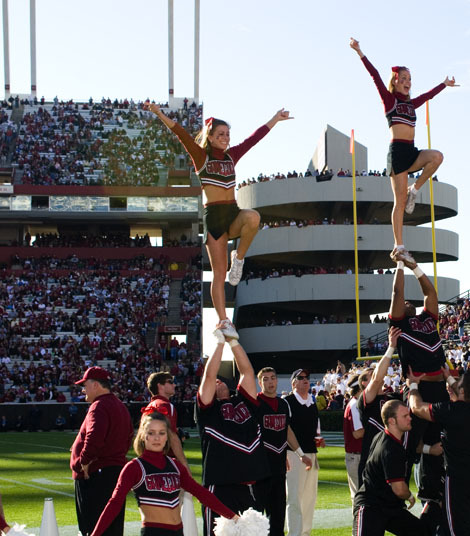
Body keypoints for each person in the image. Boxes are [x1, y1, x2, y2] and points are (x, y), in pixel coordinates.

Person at [149, 102, 292, 339]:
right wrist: (159, 113)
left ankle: (240, 257)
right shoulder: (201, 156)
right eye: (221, 134)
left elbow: (253, 139)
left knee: (254, 217)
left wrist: (275, 119)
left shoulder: (231, 155)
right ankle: (223, 320)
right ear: (211, 137)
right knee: (218, 274)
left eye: (227, 134)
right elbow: (180, 133)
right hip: (214, 217)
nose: (226, 138)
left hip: (232, 213)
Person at [350, 37, 457, 258]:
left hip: (412, 151)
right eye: (405, 78)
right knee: (399, 203)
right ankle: (399, 245)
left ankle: (415, 189)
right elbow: (375, 76)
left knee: (437, 157)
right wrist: (360, 52)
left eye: (410, 79)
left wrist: (443, 85)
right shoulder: (390, 101)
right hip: (397, 154)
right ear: (396, 81)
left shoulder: (410, 104)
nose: (408, 82)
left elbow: (428, 96)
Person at [89, 412, 238, 536]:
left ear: (167, 437)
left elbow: (201, 493)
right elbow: (115, 503)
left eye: (161, 433)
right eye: (151, 433)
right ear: (142, 435)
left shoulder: (175, 465)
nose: (157, 438)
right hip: (154, 532)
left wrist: (233, 516)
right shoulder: (134, 467)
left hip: (179, 531)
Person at [407, 367, 470, 536]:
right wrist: (450, 380)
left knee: (457, 528)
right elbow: (467, 395)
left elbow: (416, 408)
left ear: (463, 390)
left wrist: (413, 385)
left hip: (459, 478)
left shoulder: (451, 411)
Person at [387, 251, 449, 511]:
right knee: (409, 444)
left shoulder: (426, 321)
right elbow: (396, 296)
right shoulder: (400, 326)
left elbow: (431, 295)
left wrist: (415, 267)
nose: (409, 304)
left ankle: (433, 501)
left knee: (441, 445)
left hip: (438, 388)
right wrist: (400, 265)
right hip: (417, 389)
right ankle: (396, 496)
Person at [196, 331, 270, 536]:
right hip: (220, 487)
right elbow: (209, 376)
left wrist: (233, 341)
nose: (218, 381)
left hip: (249, 486)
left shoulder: (244, 402)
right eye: (215, 382)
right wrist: (219, 343)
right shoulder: (208, 411)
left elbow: (247, 372)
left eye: (222, 380)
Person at [70, 367, 133, 536]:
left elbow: (94, 438)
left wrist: (83, 462)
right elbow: (129, 437)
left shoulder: (98, 406)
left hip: (96, 476)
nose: (83, 389)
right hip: (114, 472)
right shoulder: (120, 405)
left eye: (85, 385)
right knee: (112, 527)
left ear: (96, 385)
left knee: (92, 528)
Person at [351, 400, 425, 536]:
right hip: (371, 506)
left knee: (421, 531)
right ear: (392, 421)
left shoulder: (382, 436)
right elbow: (399, 489)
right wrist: (410, 496)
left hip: (389, 506)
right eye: (405, 416)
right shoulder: (391, 448)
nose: (410, 418)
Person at [256, 367, 312, 536]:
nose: (270, 382)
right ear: (260, 383)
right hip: (260, 468)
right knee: (258, 514)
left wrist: (301, 454)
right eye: (265, 379)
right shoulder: (255, 403)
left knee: (278, 513)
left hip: (279, 467)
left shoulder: (283, 404)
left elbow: (287, 431)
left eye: (272, 378)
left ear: (277, 380)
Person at [357, 328, 405, 487]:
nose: (379, 374)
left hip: (392, 457)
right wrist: (391, 347)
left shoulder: (391, 397)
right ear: (364, 383)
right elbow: (377, 380)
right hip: (372, 460)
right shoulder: (366, 400)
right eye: (372, 374)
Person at [284, 369, 326, 536]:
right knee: (294, 498)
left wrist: (318, 438)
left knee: (309, 498)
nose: (305, 380)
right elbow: (285, 430)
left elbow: (316, 428)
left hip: (311, 454)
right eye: (300, 378)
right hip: (294, 454)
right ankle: (295, 533)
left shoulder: (312, 401)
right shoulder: (287, 402)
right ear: (293, 383)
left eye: (307, 378)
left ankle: (305, 533)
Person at [143, 372, 189, 471]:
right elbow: (172, 436)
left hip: (150, 461)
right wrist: (185, 465)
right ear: (160, 386)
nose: (174, 385)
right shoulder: (165, 405)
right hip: (164, 462)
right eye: (171, 382)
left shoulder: (150, 405)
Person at [343, 375, 365, 501]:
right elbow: (358, 433)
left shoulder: (355, 403)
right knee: (360, 496)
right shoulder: (355, 405)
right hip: (357, 456)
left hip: (358, 455)